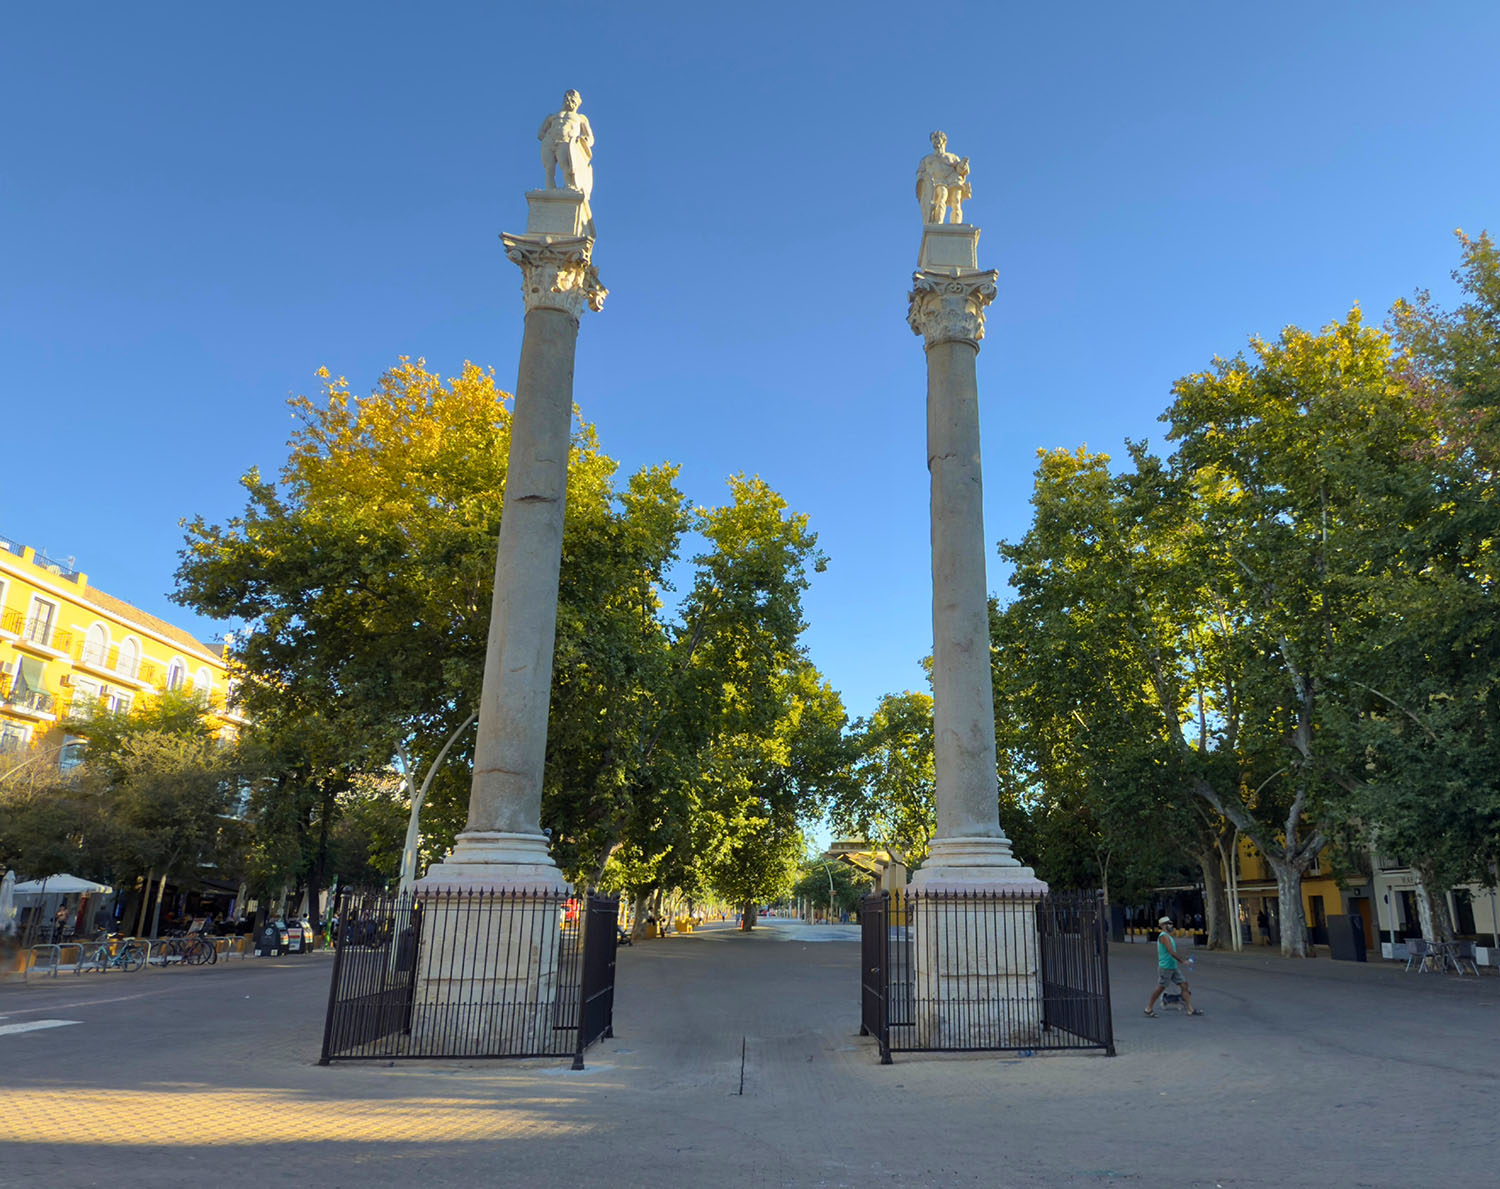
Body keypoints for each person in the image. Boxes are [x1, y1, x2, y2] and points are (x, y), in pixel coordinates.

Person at [1145, 915, 1201, 1017]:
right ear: (1162, 926)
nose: (1170, 925)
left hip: (1172, 966)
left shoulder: (1168, 936)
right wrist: (1183, 961)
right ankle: (1148, 1008)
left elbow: (1173, 951)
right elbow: (1171, 952)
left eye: (1170, 923)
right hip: (1166, 967)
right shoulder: (1163, 936)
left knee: (1184, 985)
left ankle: (1190, 1009)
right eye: (1167, 924)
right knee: (1160, 988)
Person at [915, 130, 971, 225]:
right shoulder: (927, 159)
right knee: (942, 196)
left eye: (937, 138)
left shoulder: (952, 157)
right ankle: (938, 222)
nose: (935, 140)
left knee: (956, 201)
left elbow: (960, 171)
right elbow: (921, 174)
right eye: (933, 139)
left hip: (953, 179)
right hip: (938, 180)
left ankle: (956, 224)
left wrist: (962, 165)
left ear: (944, 140)